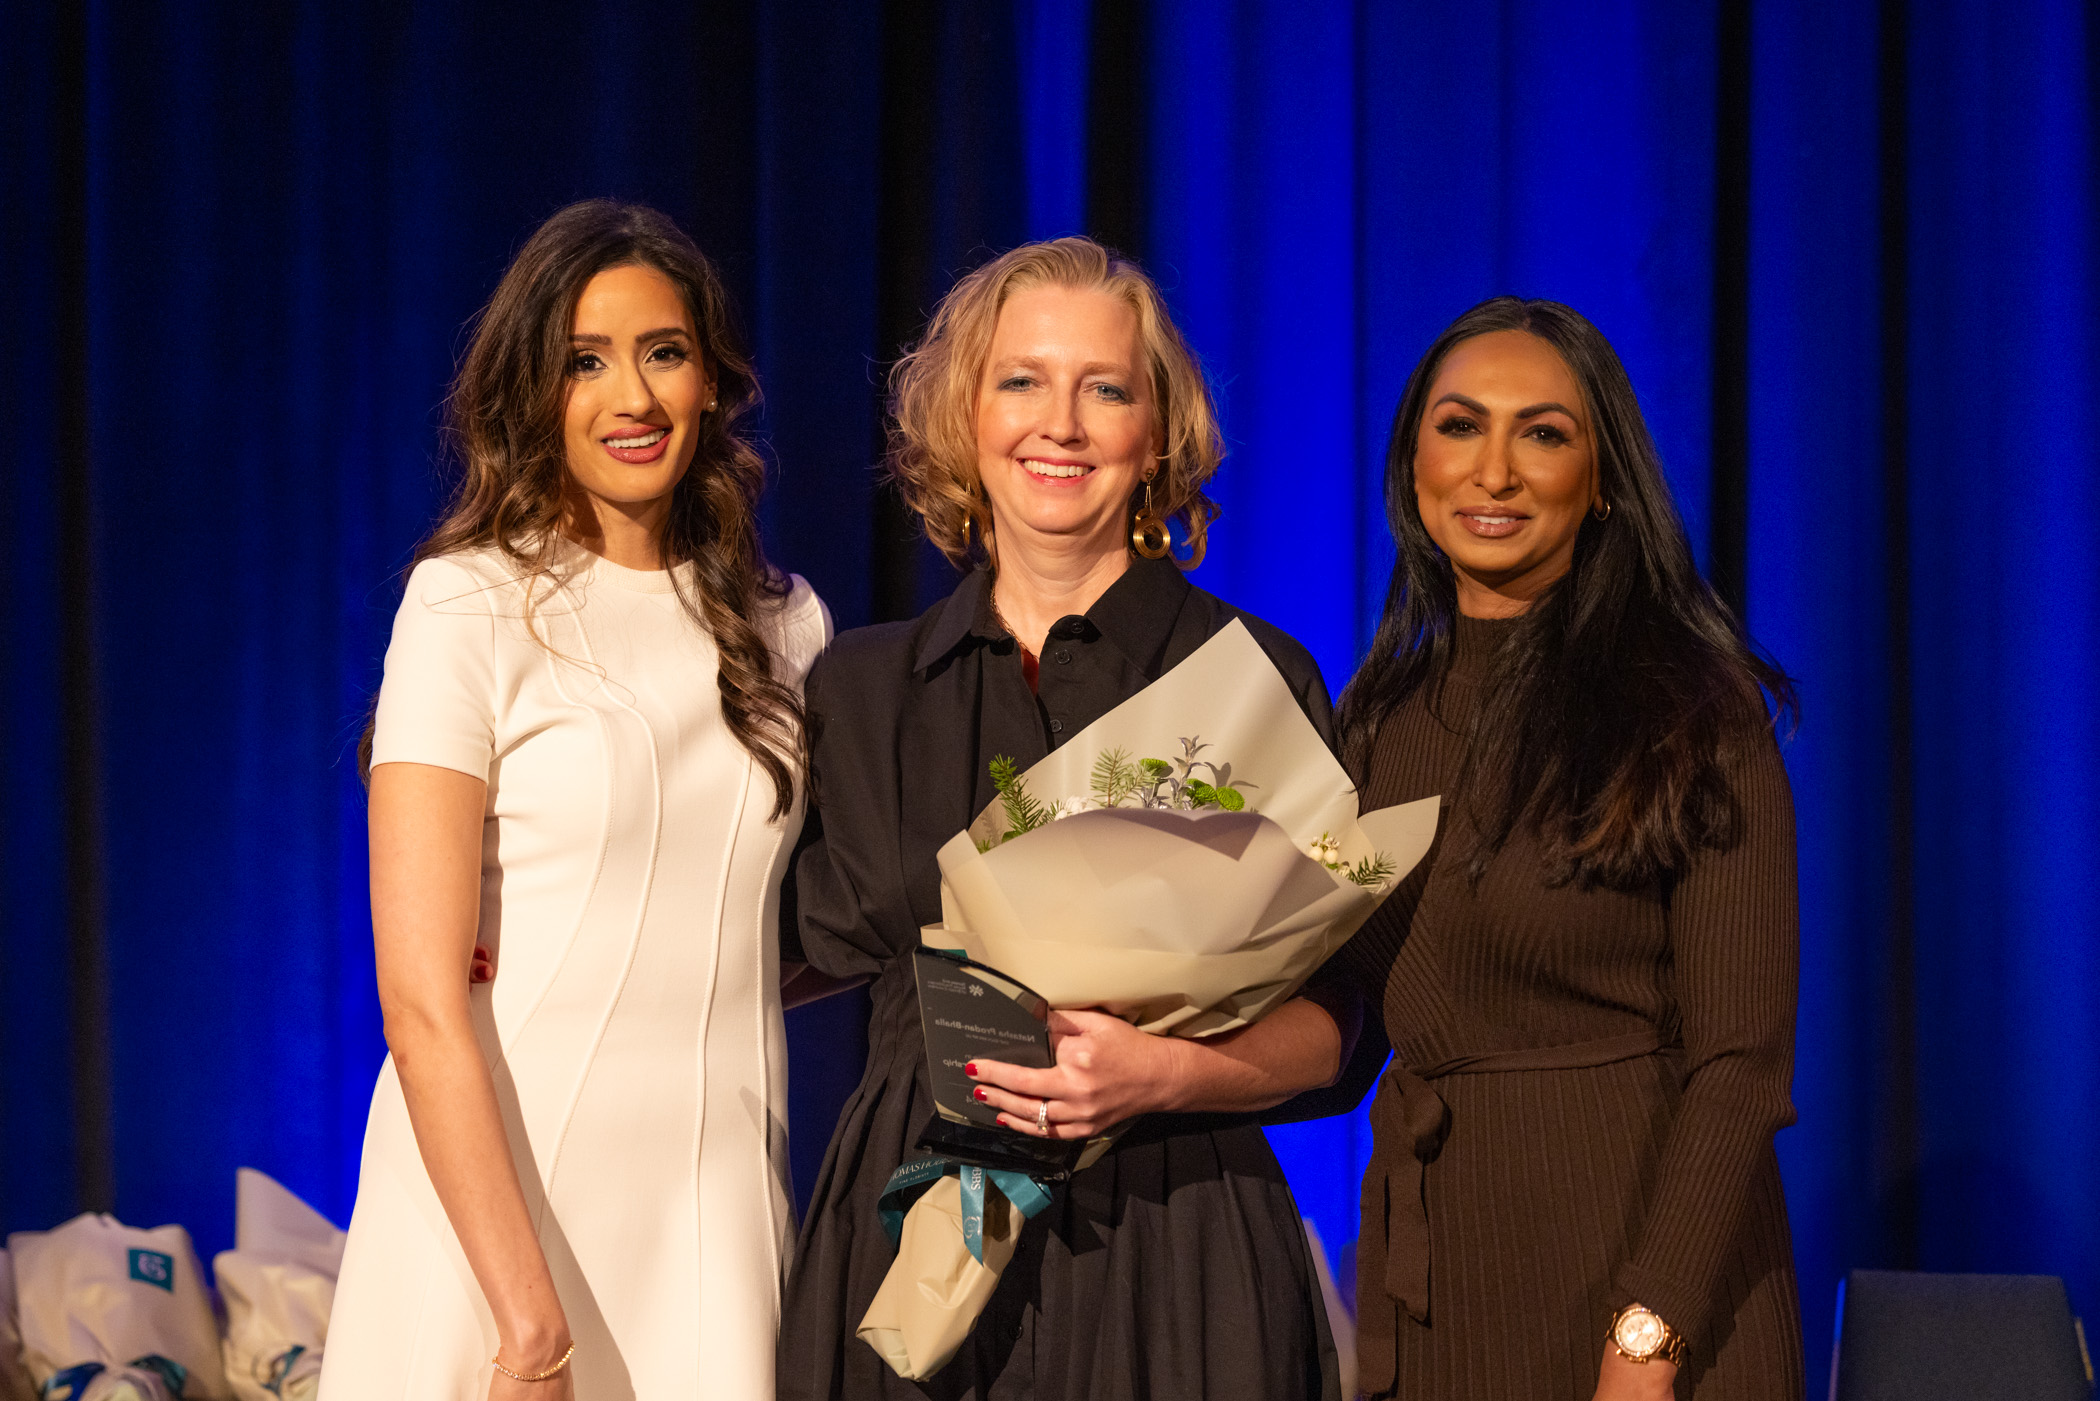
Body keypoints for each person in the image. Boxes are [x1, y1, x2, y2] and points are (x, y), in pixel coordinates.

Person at [776, 236, 1363, 1400]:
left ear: (1156, 434)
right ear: (962, 417)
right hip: (916, 1235)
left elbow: (1340, 1024)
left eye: (1105, 388)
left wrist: (1162, 1075)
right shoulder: (861, 687)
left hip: (1175, 1231)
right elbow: (772, 945)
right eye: (1022, 381)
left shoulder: (1246, 674)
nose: (1063, 423)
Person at [319, 201, 831, 1401]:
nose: (632, 397)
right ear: (531, 394)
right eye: (583, 363)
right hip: (498, 1216)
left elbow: (771, 933)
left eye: (664, 351)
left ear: (713, 380)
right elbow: (419, 998)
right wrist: (526, 1327)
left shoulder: (787, 627)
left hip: (711, 1210)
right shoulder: (467, 605)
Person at [1330, 297, 1803, 1400]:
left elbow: (1741, 1067)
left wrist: (1649, 1335)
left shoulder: (1694, 709)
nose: (1495, 471)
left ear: (1601, 485)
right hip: (1445, 1291)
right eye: (1459, 427)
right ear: (1411, 466)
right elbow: (1343, 1014)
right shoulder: (1373, 722)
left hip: (1656, 1307)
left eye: (1542, 434)